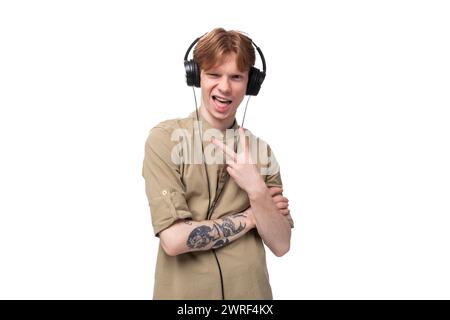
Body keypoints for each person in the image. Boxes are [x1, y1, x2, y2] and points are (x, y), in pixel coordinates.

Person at [142, 28, 294, 300]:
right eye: (214, 74)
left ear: (251, 84)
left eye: (236, 77)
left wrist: (256, 188)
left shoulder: (262, 152)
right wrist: (250, 218)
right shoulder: (164, 140)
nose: (225, 87)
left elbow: (281, 243)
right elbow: (174, 240)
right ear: (196, 75)